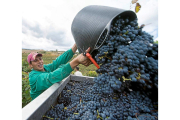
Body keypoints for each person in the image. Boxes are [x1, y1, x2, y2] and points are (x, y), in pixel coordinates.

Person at [27, 44, 92, 100]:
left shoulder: (45, 68)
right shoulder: (34, 77)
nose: (40, 62)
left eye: (40, 59)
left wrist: (75, 47)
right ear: (30, 65)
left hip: (50, 99)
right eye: (35, 60)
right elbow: (51, 77)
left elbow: (57, 62)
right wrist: (76, 61)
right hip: (40, 106)